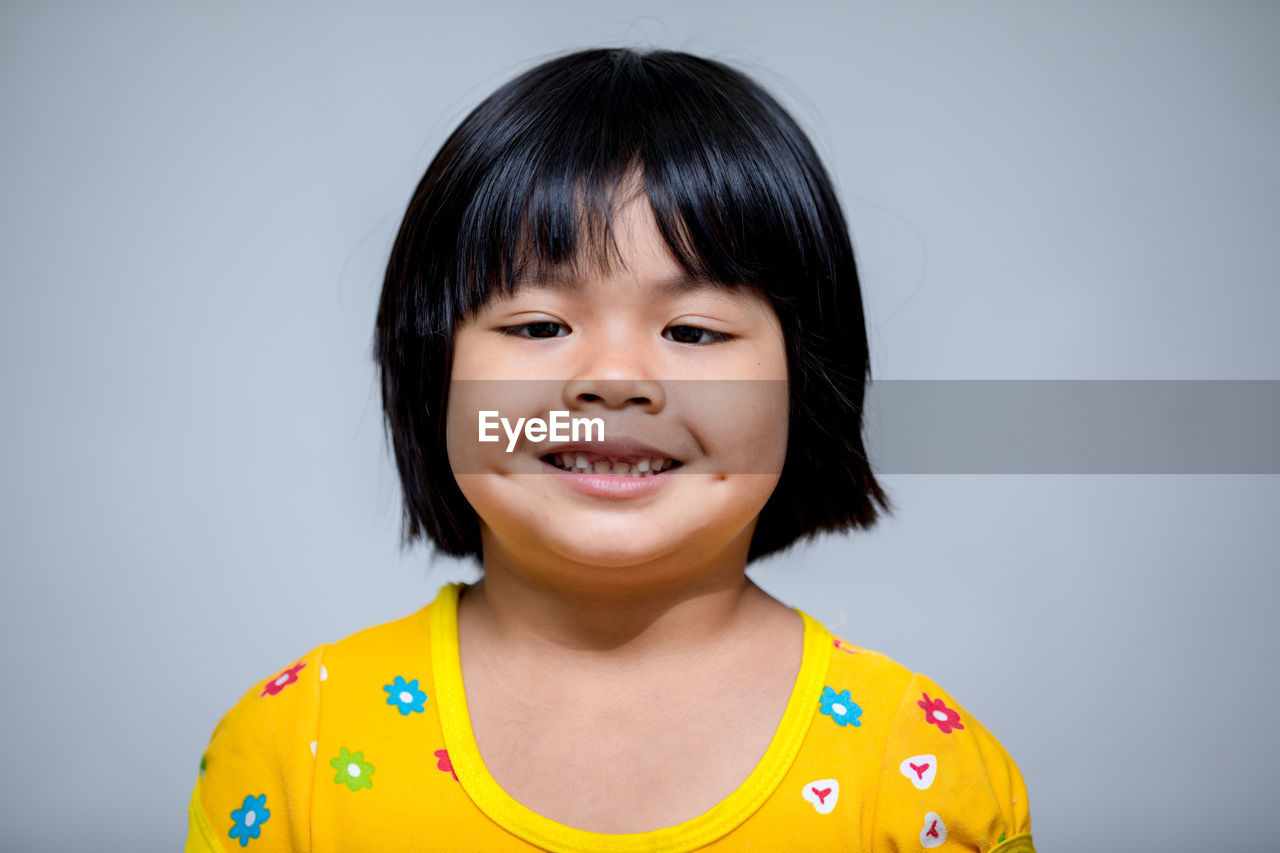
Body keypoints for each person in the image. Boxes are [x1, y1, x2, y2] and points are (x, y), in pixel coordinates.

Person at [186, 47, 1035, 852]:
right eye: (540, 325)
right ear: (432, 372)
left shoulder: (917, 771)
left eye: (695, 329)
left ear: (806, 387)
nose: (615, 377)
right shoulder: (295, 745)